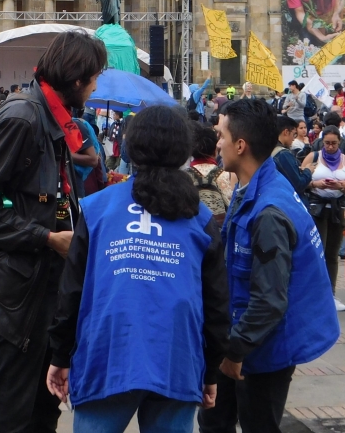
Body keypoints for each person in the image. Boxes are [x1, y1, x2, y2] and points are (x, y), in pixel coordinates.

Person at [47, 106, 230, 433]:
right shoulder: (200, 218)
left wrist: (61, 356)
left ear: (131, 146)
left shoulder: (98, 209)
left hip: (108, 352)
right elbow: (216, 302)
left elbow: (72, 291)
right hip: (177, 355)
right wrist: (209, 370)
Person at [0, 30, 107, 433]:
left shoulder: (55, 120)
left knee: (44, 408)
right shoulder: (24, 117)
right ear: (77, 79)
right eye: (94, 78)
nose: (96, 87)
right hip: (22, 295)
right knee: (12, 409)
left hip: (49, 289)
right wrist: (45, 237)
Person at [200, 99, 339, 433]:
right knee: (214, 421)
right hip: (246, 338)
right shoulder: (255, 186)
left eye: (221, 135)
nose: (216, 142)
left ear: (241, 144)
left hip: (262, 347)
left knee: (258, 424)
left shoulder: (269, 211)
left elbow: (269, 300)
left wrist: (234, 353)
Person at [301, 125, 345, 311]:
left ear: (340, 143)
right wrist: (316, 183)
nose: (330, 147)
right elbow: (300, 180)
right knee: (318, 252)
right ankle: (315, 294)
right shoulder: (313, 157)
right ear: (321, 142)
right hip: (317, 208)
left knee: (332, 254)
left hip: (338, 209)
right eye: (327, 143)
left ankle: (330, 294)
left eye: (334, 143)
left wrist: (342, 186)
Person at [187, 122, 233, 225]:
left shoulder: (184, 177)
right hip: (218, 234)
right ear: (215, 150)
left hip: (193, 231)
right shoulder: (225, 175)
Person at [271, 116, 312, 197]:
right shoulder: (283, 154)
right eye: (293, 134)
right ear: (286, 132)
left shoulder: (267, 149)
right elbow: (299, 185)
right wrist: (308, 171)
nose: (293, 139)